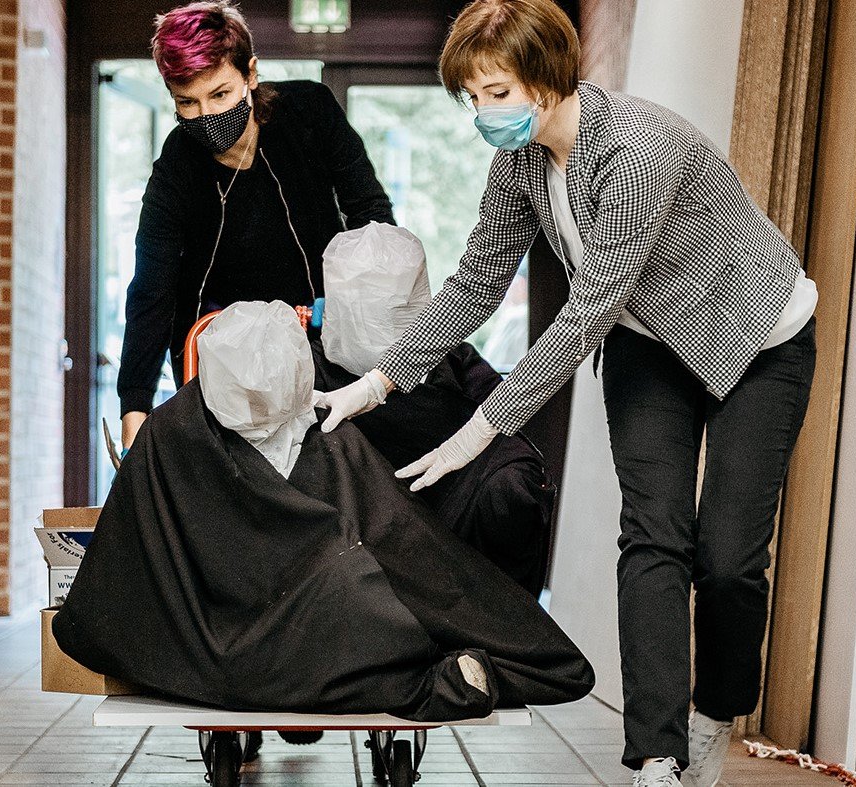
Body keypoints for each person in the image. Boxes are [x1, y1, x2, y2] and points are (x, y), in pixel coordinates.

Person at [314, 1, 820, 785]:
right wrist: (377, 382)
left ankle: (717, 708)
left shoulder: (636, 149)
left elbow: (586, 312)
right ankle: (656, 753)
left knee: (726, 560)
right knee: (654, 535)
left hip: (757, 336)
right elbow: (477, 281)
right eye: (472, 97)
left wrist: (476, 431)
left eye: (496, 92)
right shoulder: (518, 165)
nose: (483, 113)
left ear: (548, 79)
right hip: (650, 346)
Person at [54, 301, 594, 729]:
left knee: (354, 594)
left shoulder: (324, 434)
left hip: (277, 616)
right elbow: (133, 561)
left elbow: (400, 544)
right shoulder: (170, 435)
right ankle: (427, 683)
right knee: (355, 621)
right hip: (220, 618)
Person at [118, 1, 394, 453]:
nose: (205, 115)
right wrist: (135, 407)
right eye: (186, 102)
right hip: (223, 355)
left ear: (250, 73)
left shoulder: (308, 112)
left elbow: (370, 215)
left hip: (320, 333)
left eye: (220, 95)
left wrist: (376, 322)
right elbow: (152, 288)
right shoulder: (176, 167)